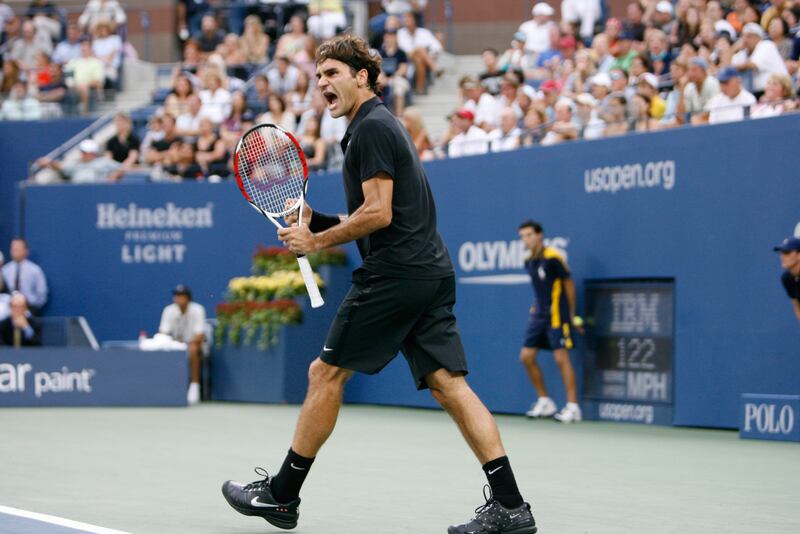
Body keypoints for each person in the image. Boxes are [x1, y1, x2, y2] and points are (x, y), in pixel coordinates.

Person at [221, 34, 536, 534]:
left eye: (332, 74)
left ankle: (282, 495)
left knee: (325, 374)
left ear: (361, 77)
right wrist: (319, 220)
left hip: (395, 275)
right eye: (318, 75)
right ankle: (511, 506)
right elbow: (385, 214)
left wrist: (317, 241)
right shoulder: (375, 126)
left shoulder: (370, 129)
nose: (322, 82)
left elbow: (379, 213)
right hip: (430, 272)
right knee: (449, 385)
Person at [517, 220, 583, 423]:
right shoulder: (529, 261)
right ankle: (545, 401)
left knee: (560, 359)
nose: (526, 240)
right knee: (526, 357)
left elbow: (569, 286)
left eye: (529, 235)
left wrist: (570, 315)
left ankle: (573, 407)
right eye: (522, 236)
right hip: (538, 316)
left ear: (539, 235)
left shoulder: (554, 258)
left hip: (557, 316)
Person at [158, 284, 207, 404]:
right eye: (176, 296)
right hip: (174, 345)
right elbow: (163, 332)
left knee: (193, 349)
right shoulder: (168, 310)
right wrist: (173, 343)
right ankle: (166, 389)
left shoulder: (198, 309)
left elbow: (199, 336)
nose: (178, 298)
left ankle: (194, 386)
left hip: (194, 345)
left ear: (188, 298)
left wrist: (186, 345)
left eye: (181, 296)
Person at [36, 138, 123, 183]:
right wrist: (49, 162)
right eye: (83, 152)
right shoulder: (75, 165)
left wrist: (115, 175)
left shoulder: (104, 162)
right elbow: (61, 166)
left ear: (93, 153)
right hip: (77, 195)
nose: (85, 154)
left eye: (88, 152)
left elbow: (122, 168)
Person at [2, 238, 48, 314]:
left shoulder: (35, 270)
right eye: (13, 248)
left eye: (18, 248)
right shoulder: (5, 270)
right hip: (8, 309)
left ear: (26, 251)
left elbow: (42, 294)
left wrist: (31, 308)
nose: (14, 250)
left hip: (29, 308)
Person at [774, 237, 800, 324]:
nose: (782, 257)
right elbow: (797, 306)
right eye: (781, 253)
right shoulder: (787, 279)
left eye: (787, 253)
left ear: (799, 255)